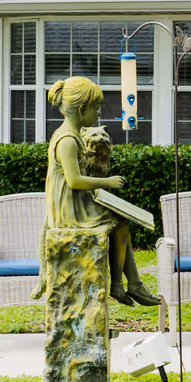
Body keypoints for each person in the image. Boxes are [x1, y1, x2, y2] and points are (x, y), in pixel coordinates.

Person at [43, 76, 157, 307]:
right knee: (120, 222)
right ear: (82, 108)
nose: (98, 114)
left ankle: (129, 283)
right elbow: (74, 181)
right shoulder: (67, 140)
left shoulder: (73, 135)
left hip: (76, 203)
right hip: (69, 211)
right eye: (96, 108)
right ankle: (124, 284)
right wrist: (108, 183)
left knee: (121, 220)